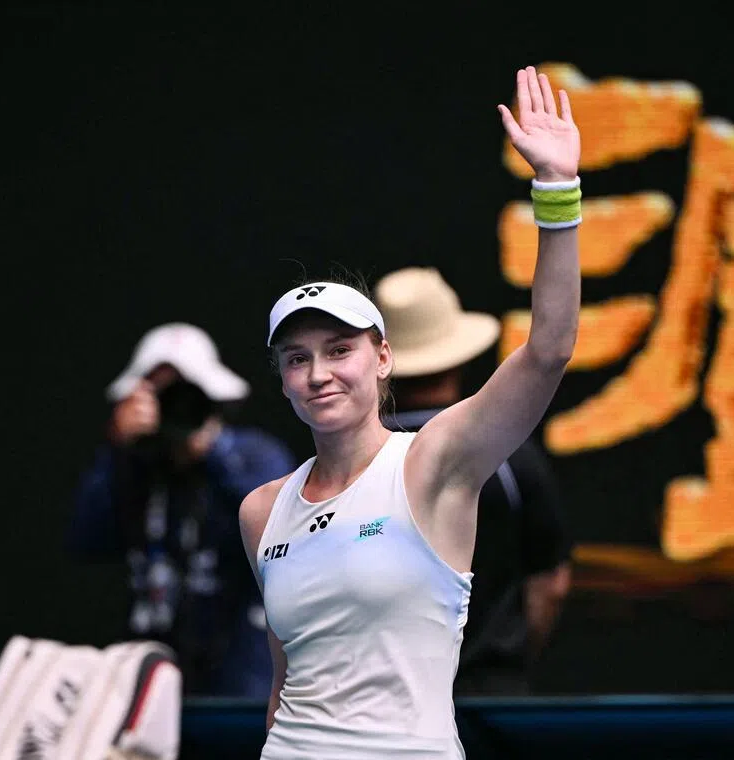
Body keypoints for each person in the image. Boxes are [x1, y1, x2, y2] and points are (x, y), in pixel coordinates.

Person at [239, 66, 581, 758]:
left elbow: (548, 349)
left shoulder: (434, 462)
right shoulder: (261, 511)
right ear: (282, 382)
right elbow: (286, 685)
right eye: (297, 359)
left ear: (383, 359)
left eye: (340, 349)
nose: (319, 372)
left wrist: (556, 191)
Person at [374, 266, 572, 696]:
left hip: (382, 705)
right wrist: (509, 661)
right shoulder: (510, 455)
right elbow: (550, 583)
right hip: (489, 697)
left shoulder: (349, 460)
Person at [71, 322, 296, 698]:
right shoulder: (132, 470)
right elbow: (84, 540)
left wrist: (213, 454)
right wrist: (118, 451)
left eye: (188, 393)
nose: (176, 405)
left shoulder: (254, 455)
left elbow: (283, 534)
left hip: (241, 676)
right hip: (150, 672)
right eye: (163, 395)